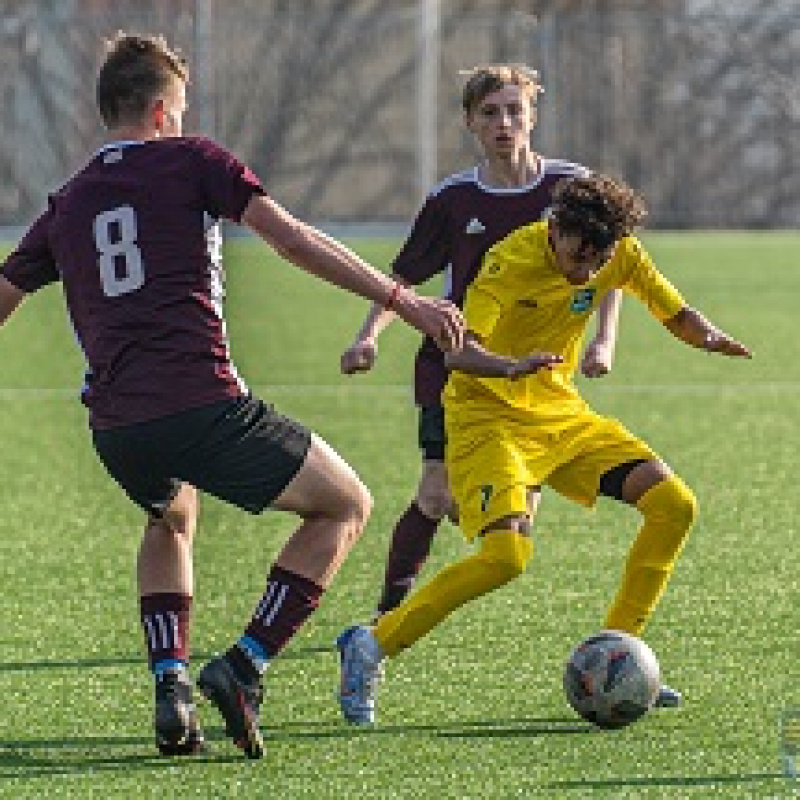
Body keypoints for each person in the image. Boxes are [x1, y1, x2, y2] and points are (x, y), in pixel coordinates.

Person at [0, 32, 465, 759]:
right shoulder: (192, 160)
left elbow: (4, 294)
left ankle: (171, 686)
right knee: (346, 505)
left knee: (171, 514)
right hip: (202, 402)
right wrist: (404, 303)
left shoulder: (69, 202)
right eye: (179, 108)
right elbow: (293, 240)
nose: (182, 120)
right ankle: (244, 665)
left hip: (118, 427)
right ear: (161, 111)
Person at [335, 172, 751, 725]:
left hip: (561, 415)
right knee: (506, 558)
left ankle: (619, 655)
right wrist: (511, 367)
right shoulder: (510, 261)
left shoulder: (614, 252)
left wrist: (707, 337)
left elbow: (669, 307)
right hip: (488, 418)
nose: (586, 272)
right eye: (578, 258)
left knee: (673, 504)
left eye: (596, 262)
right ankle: (372, 643)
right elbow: (457, 353)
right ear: (554, 228)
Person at [341, 64, 623, 620]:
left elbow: (616, 264)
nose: (504, 122)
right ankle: (387, 615)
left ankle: (474, 504)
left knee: (512, 520)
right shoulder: (452, 200)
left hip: (536, 372)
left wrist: (604, 341)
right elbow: (402, 281)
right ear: (470, 122)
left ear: (533, 117)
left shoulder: (570, 188)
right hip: (456, 360)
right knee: (435, 492)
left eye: (515, 110)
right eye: (490, 112)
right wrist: (368, 334)